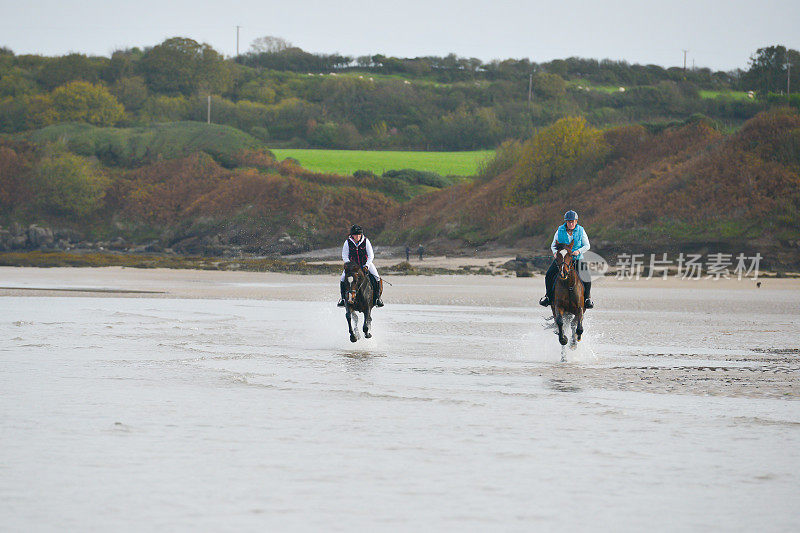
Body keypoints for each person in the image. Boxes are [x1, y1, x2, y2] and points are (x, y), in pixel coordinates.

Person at [539, 210, 594, 309]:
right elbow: (553, 245)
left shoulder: (581, 230)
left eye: (573, 221)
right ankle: (548, 297)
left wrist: (578, 251)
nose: (571, 223)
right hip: (562, 259)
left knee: (587, 276)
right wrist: (555, 253)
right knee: (549, 275)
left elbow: (587, 245)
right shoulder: (559, 230)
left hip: (576, 258)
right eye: (569, 221)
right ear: (566, 222)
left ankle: (587, 299)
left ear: (576, 221)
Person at [338, 224, 384, 307]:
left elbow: (371, 256)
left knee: (377, 277)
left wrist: (367, 265)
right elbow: (344, 256)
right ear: (352, 235)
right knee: (342, 278)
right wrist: (350, 265)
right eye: (355, 235)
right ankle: (343, 299)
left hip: (365, 264)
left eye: (359, 234)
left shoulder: (366, 241)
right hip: (352, 267)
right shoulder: (347, 242)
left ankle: (378, 299)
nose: (357, 236)